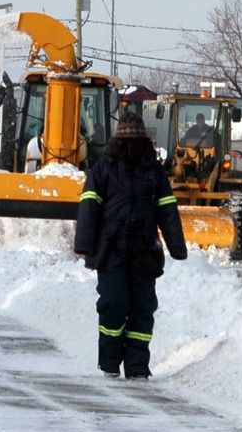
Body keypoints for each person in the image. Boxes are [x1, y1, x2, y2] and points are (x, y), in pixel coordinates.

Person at [73, 109, 188, 379]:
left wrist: (177, 247)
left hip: (144, 251)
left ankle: (137, 367)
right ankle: (110, 364)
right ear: (118, 142)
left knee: (142, 308)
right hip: (111, 251)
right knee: (114, 303)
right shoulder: (104, 167)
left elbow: (167, 210)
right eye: (127, 142)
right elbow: (89, 205)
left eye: (136, 141)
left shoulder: (153, 171)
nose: (131, 147)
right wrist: (85, 244)